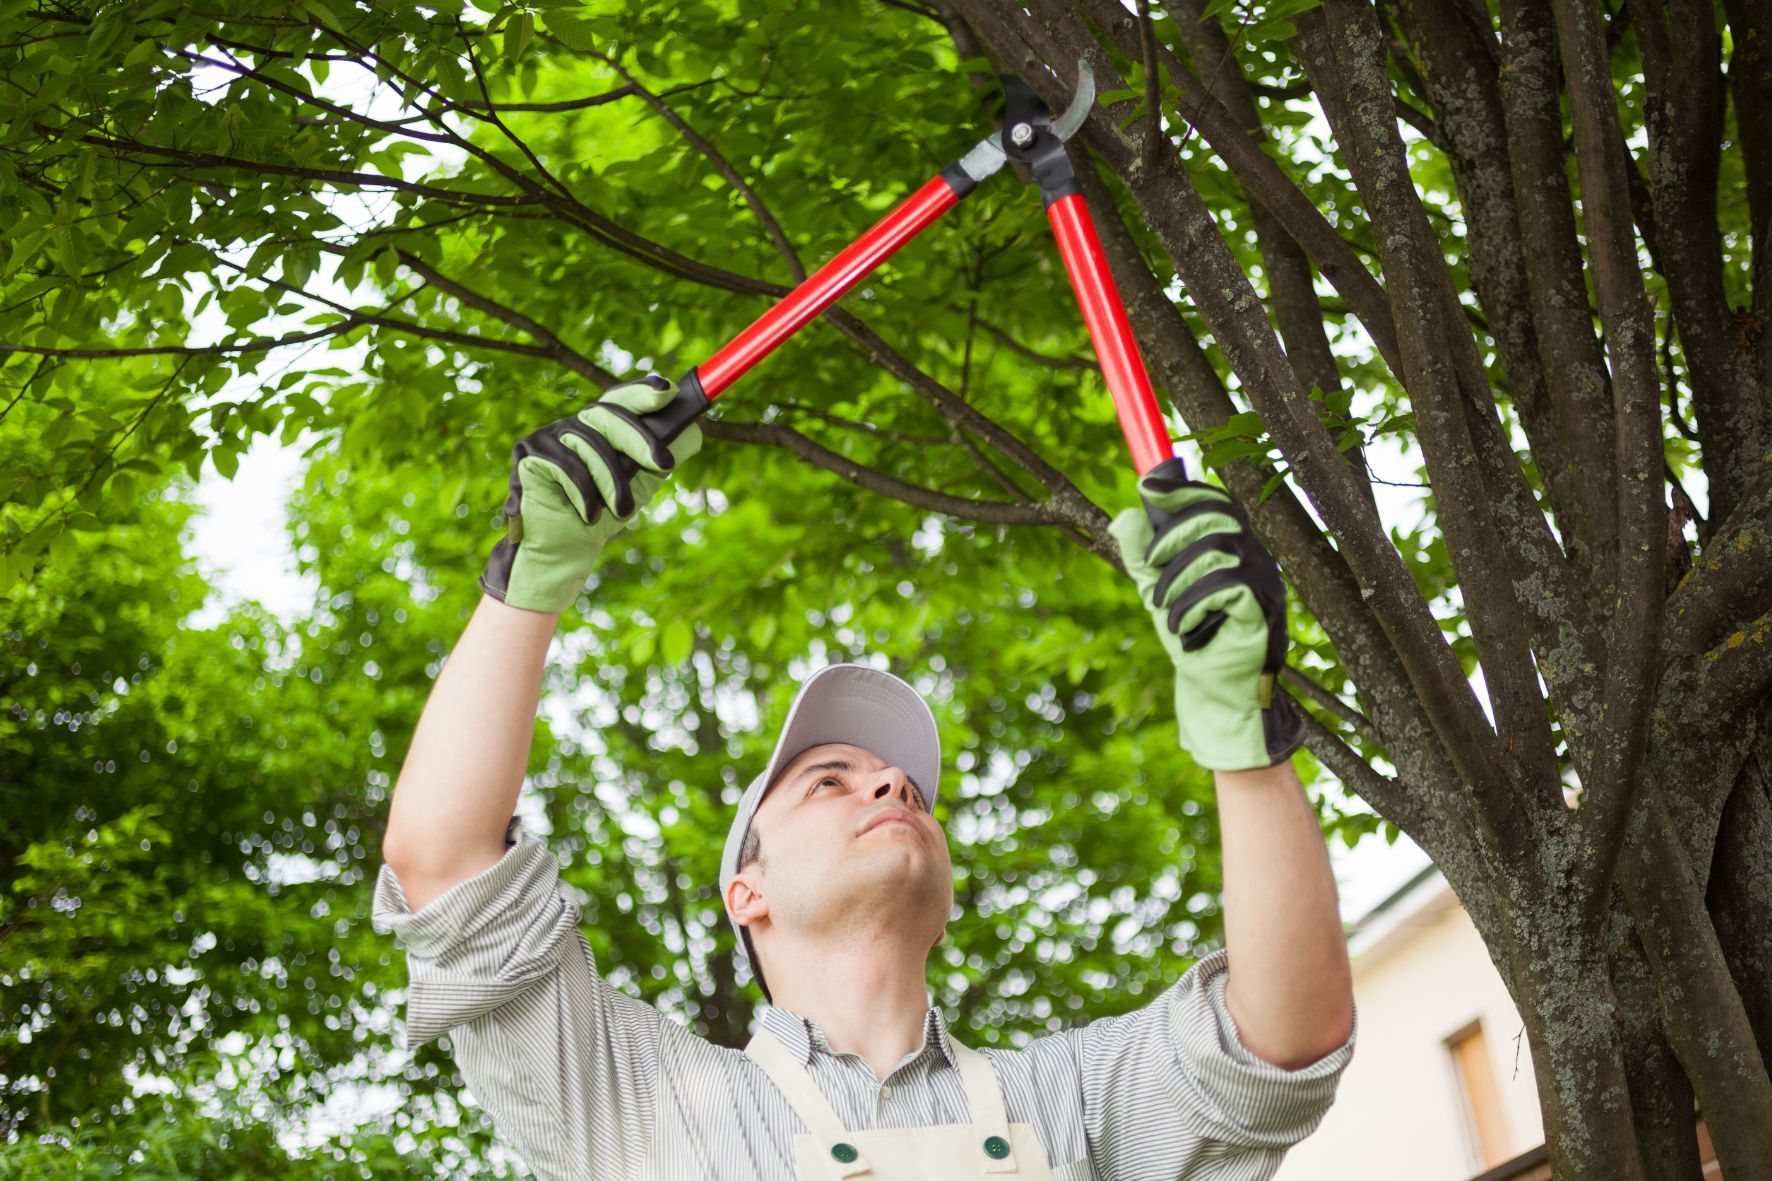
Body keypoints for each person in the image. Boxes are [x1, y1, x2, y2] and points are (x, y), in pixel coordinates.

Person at [373, 377, 1357, 1180]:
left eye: (908, 790)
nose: (889, 787)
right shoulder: (641, 1099)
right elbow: (445, 863)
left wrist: (1242, 728)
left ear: (946, 900)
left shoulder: (1071, 1096)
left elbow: (1283, 1037)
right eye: (829, 780)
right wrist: (531, 577)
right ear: (742, 891)